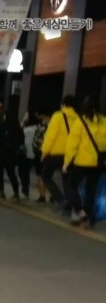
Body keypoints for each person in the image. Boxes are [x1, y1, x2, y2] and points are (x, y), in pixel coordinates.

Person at [63, 96, 105, 228]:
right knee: (91, 190)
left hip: (82, 162)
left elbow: (72, 145)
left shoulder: (80, 121)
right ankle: (87, 219)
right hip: (98, 163)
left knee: (70, 186)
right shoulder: (104, 121)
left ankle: (80, 211)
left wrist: (66, 162)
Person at [41, 95, 78, 210]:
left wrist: (44, 152)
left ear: (63, 104)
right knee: (66, 181)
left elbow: (50, 136)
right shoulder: (78, 118)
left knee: (46, 176)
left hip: (56, 154)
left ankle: (61, 200)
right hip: (71, 155)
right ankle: (69, 204)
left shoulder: (58, 116)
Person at [0, 110, 25, 200]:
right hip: (12, 155)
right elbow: (21, 141)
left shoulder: (2, 127)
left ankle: (1, 192)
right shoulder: (18, 128)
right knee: (11, 174)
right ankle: (16, 193)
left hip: (0, 153)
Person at [20, 111, 44, 201]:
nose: (24, 117)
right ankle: (42, 195)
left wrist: (23, 122)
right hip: (39, 154)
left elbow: (19, 134)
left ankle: (25, 191)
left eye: (26, 115)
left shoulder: (26, 130)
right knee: (40, 175)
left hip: (28, 154)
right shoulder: (39, 127)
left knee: (24, 173)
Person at [31, 107, 51, 202]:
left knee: (41, 175)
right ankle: (50, 196)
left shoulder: (43, 125)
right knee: (47, 176)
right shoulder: (53, 124)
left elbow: (38, 139)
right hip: (50, 153)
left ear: (43, 115)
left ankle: (42, 196)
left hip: (41, 152)